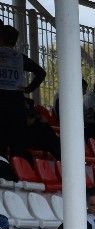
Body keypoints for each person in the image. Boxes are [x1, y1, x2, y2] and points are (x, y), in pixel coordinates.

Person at [0, 24, 45, 160]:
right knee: (16, 144)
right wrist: (29, 88)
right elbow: (41, 72)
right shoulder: (20, 58)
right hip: (16, 103)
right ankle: (17, 174)